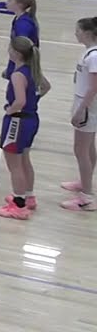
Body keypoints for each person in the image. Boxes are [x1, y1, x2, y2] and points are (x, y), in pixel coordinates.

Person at [0, 36, 43, 220]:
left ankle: (19, 205)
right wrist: (33, 101)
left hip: (17, 121)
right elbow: (46, 87)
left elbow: (19, 101)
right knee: (24, 160)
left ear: (15, 52)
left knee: (14, 165)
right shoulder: (34, 68)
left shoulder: (18, 74)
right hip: (32, 119)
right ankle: (29, 196)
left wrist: (9, 111)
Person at [61, 17, 97, 213]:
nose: (75, 33)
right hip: (85, 103)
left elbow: (94, 87)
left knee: (80, 149)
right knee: (88, 147)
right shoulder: (89, 53)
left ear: (88, 33)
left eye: (78, 30)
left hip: (88, 105)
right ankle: (85, 181)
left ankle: (87, 198)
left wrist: (82, 109)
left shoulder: (94, 56)